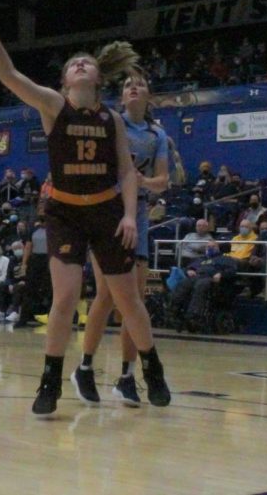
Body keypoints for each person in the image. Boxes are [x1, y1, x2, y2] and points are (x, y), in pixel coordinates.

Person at [0, 0, 170, 416]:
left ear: (97, 79)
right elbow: (8, 74)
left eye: (86, 62)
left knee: (127, 298)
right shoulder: (54, 105)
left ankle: (151, 368)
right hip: (64, 213)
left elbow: (128, 172)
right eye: (72, 63)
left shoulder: (111, 119)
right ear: (63, 81)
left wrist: (131, 215)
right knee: (65, 298)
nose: (80, 64)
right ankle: (49, 380)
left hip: (107, 211)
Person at [74, 71, 170, 407]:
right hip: (106, 211)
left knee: (135, 300)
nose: (133, 87)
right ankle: (84, 366)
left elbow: (162, 181)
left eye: (139, 84)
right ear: (122, 95)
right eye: (127, 84)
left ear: (148, 95)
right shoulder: (112, 122)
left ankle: (127, 376)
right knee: (106, 295)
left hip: (138, 214)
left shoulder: (157, 134)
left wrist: (140, 182)